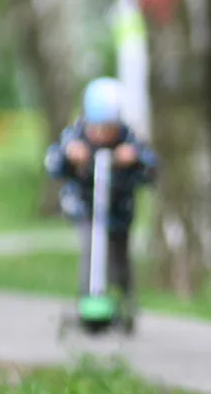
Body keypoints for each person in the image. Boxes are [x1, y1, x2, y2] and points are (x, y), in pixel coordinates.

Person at [45, 78, 157, 309]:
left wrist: (134, 158)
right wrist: (69, 156)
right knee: (91, 250)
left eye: (108, 129)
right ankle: (88, 299)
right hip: (85, 207)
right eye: (96, 128)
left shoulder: (129, 139)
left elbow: (151, 167)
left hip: (118, 210)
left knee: (119, 259)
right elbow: (53, 164)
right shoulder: (74, 137)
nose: (101, 135)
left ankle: (125, 302)